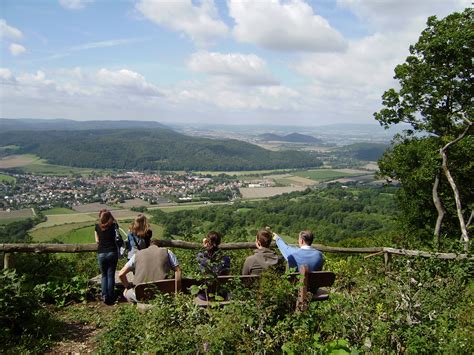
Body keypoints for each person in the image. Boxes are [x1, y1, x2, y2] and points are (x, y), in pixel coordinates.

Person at [196, 231, 230, 303]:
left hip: (204, 295)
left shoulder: (200, 257)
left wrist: (204, 246)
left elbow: (201, 254)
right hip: (221, 294)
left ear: (207, 242)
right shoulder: (226, 258)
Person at [95, 210, 119, 305]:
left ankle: (104, 296)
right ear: (110, 217)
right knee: (110, 275)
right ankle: (111, 296)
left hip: (101, 253)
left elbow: (97, 240)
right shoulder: (114, 226)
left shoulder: (97, 227)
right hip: (112, 252)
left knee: (104, 275)